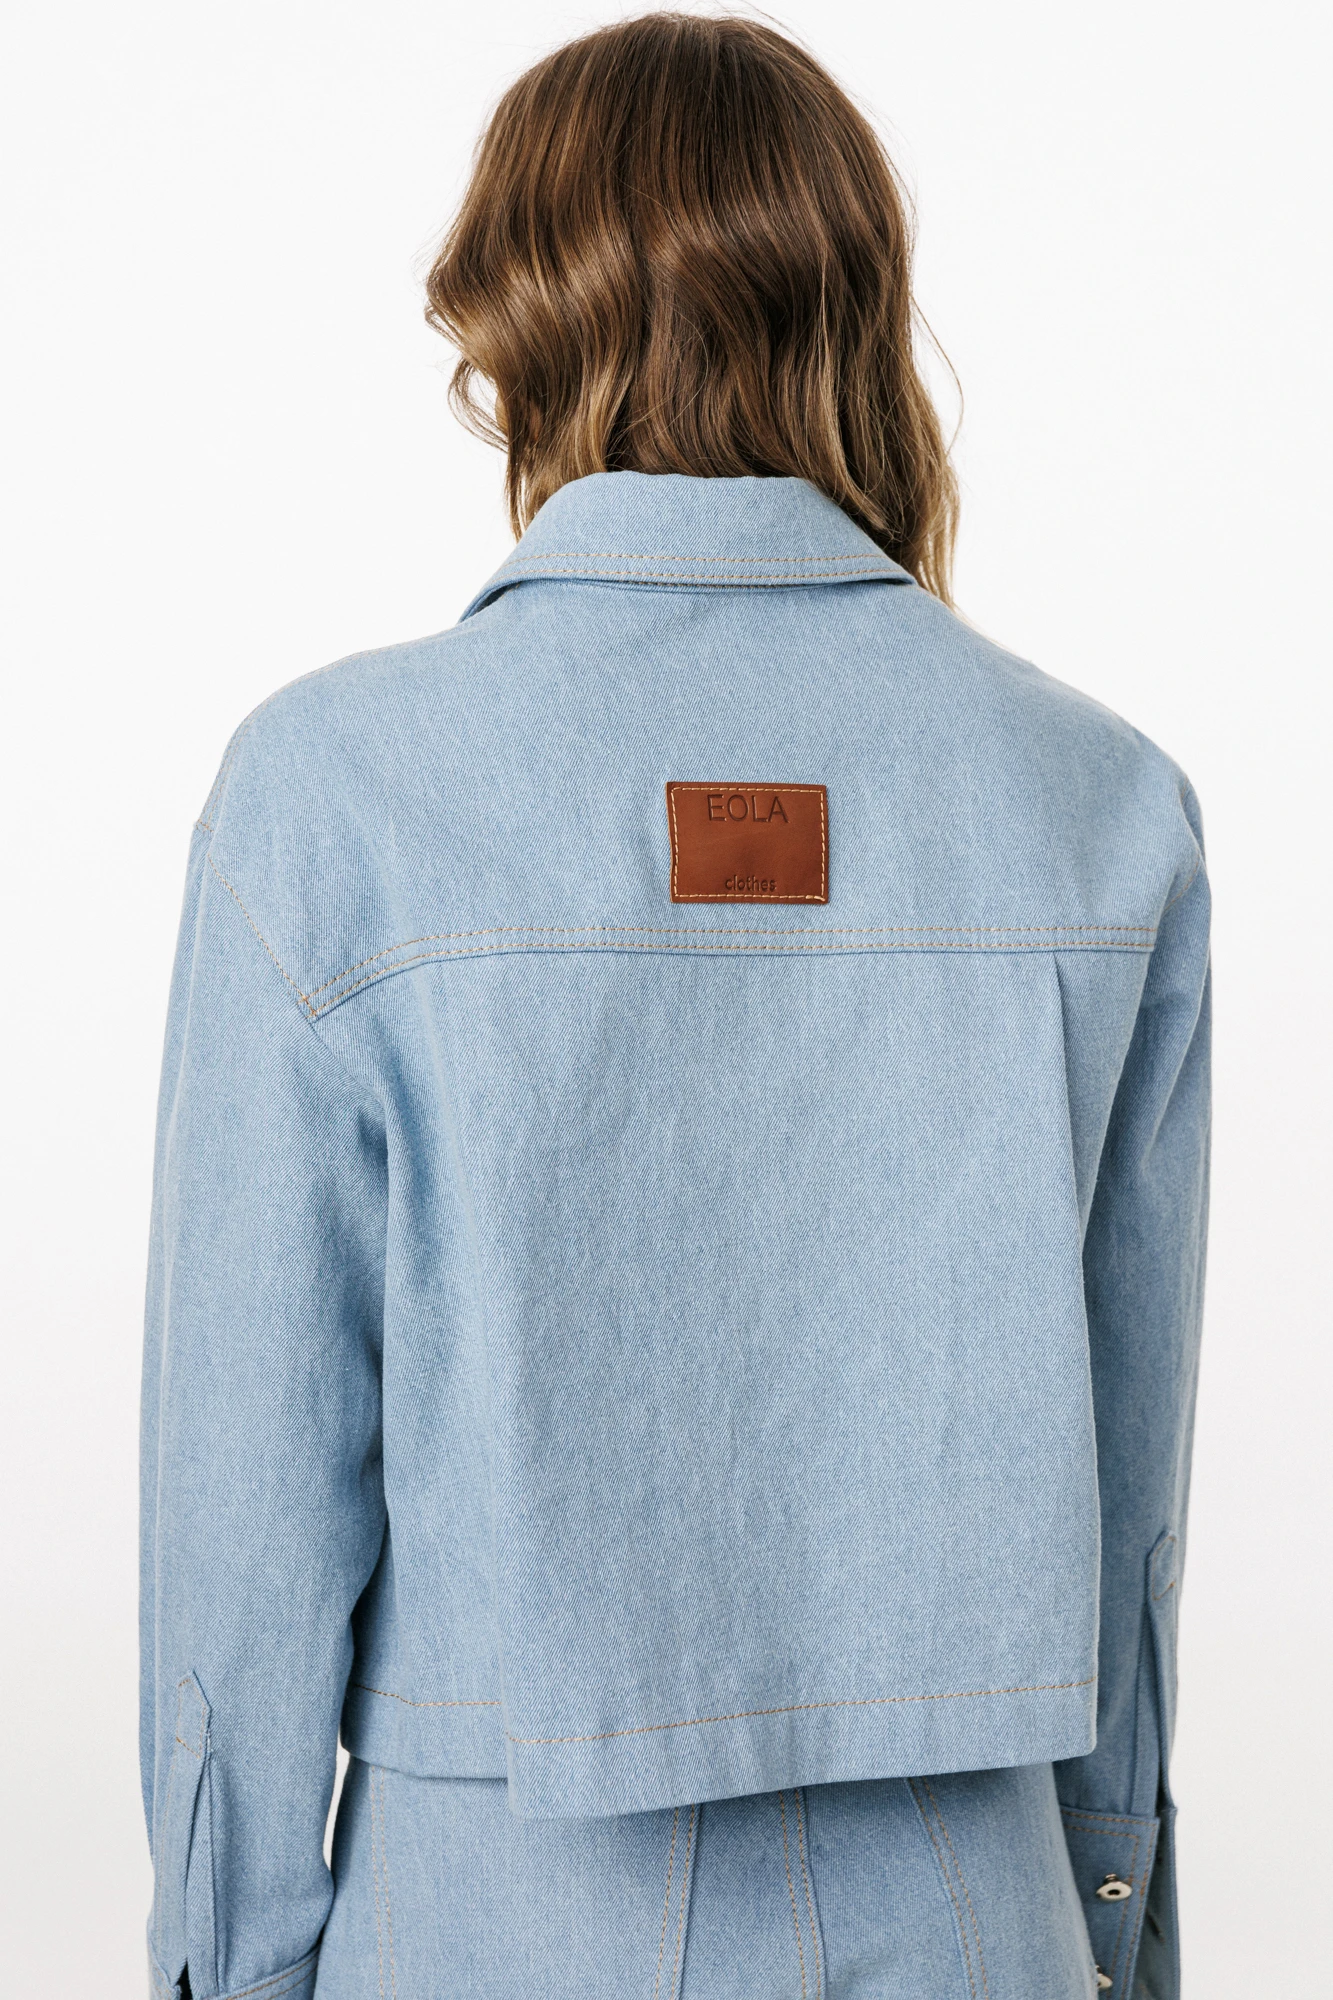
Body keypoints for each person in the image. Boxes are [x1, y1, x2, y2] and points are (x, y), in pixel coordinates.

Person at [140, 15, 1209, 2000]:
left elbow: (250, 1514)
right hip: (974, 1904)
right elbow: (1128, 1480)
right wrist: (1116, 1911)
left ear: (511, 321)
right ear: (856, 305)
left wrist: (229, 1956)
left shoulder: (335, 796)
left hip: (491, 1914)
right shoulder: (1098, 799)